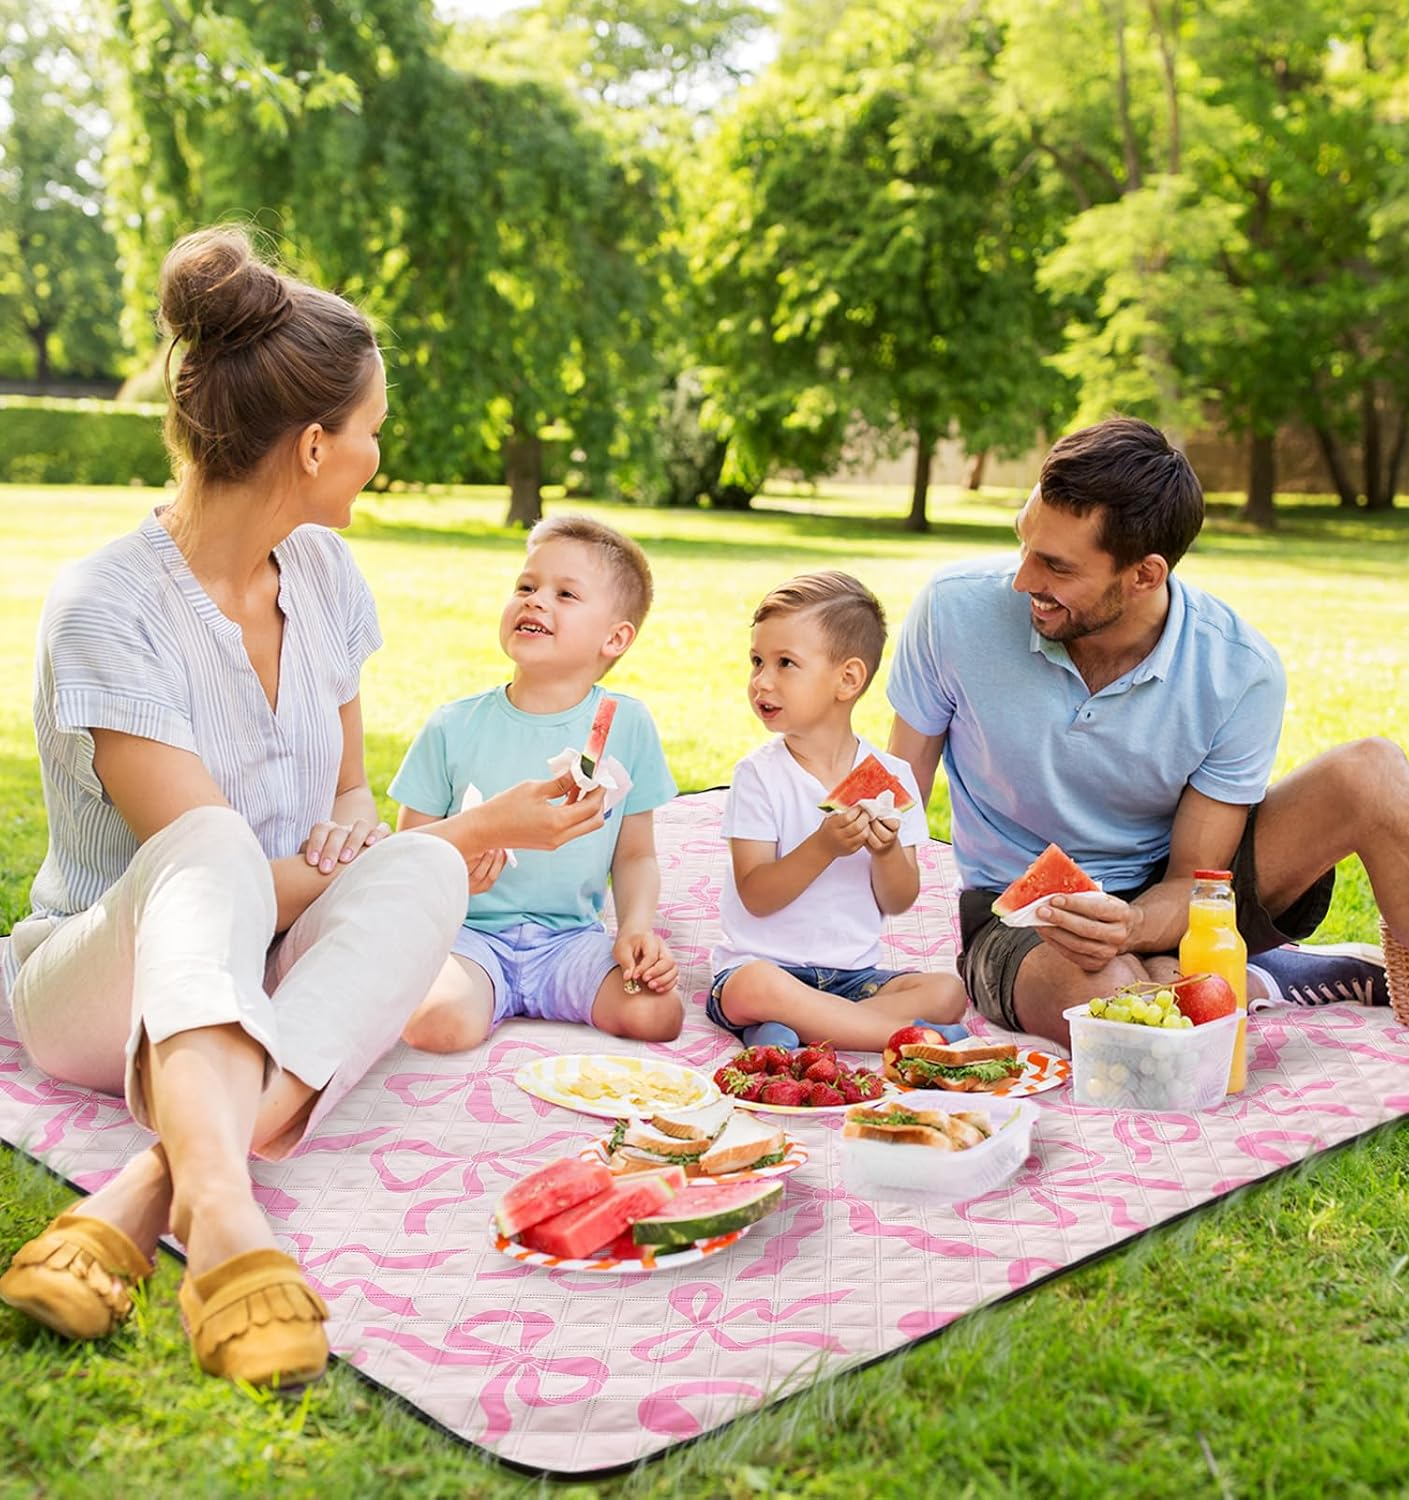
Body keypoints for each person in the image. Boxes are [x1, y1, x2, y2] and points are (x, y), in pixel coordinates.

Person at [0, 227, 605, 1388]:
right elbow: (203, 877)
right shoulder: (105, 608)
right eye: (373, 431)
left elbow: (345, 809)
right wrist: (474, 832)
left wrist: (409, 850)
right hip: (104, 985)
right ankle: (226, 1220)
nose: (380, 453)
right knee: (226, 838)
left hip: (270, 968)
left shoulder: (326, 578)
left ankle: (148, 1189)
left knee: (423, 876)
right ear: (317, 444)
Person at [887, 416, 1409, 1048]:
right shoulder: (953, 611)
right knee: (1127, 1022)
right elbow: (894, 799)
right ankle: (1252, 981)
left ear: (1146, 575)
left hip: (1181, 897)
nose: (1022, 581)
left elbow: (1195, 879)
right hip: (1017, 915)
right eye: (1023, 544)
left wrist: (1132, 925)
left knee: (1372, 771)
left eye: (1057, 567)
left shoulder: (1236, 668)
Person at [390, 515, 684, 1052]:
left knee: (659, 1012)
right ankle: (471, 992)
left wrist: (635, 930)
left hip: (570, 941)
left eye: (565, 594)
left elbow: (636, 856)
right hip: (469, 938)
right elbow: (406, 854)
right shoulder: (452, 727)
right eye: (525, 586)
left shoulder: (628, 725)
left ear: (615, 638)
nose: (535, 600)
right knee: (439, 1023)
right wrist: (463, 857)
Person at [707, 572, 968, 1052]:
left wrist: (887, 850)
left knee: (948, 992)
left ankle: (797, 1030)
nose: (761, 680)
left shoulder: (890, 776)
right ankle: (911, 1039)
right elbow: (757, 896)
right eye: (757, 661)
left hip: (852, 977)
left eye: (786, 663)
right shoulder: (758, 775)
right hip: (761, 968)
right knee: (756, 988)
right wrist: (824, 846)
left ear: (847, 679)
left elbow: (898, 900)